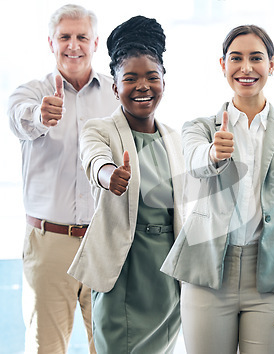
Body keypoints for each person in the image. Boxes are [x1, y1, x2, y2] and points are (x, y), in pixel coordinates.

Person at [161, 24, 274, 354]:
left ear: (272, 65)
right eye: (236, 58)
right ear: (223, 65)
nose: (246, 68)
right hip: (208, 271)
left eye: (256, 58)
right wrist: (213, 154)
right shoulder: (200, 127)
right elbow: (193, 161)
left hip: (271, 275)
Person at [67, 15, 184, 354]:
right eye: (130, 78)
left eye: (152, 77)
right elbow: (94, 160)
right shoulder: (99, 129)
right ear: (116, 87)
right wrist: (109, 175)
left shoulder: (175, 139)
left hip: (167, 280)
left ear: (164, 82)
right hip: (123, 272)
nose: (142, 86)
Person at [7, 4, 118, 353]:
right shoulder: (29, 93)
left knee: (109, 345)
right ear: (50, 43)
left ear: (95, 42)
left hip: (105, 242)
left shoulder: (117, 94)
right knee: (46, 347)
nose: (73, 45)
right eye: (64, 37)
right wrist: (41, 115)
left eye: (81, 37)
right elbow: (18, 121)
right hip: (50, 242)